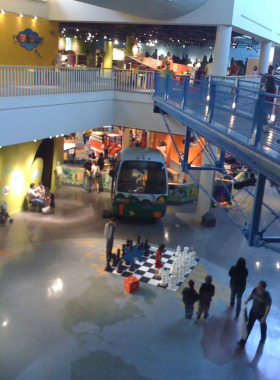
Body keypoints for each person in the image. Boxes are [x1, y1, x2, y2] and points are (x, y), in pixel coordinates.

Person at [237, 281, 272, 346]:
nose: (257, 287)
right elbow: (251, 296)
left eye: (259, 286)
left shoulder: (267, 296)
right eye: (258, 285)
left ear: (263, 288)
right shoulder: (255, 290)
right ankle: (243, 341)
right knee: (249, 326)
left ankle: (263, 338)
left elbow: (268, 308)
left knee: (263, 325)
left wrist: (264, 317)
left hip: (261, 314)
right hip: (253, 312)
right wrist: (247, 300)